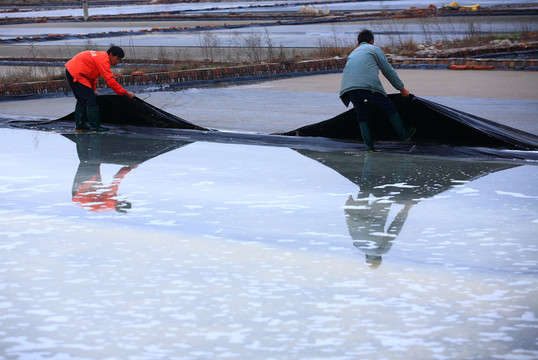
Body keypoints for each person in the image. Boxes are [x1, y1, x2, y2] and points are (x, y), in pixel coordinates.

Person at [340, 29, 415, 152]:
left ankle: (369, 147)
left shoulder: (352, 54)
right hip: (367, 86)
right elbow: (388, 71)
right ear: (372, 41)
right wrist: (401, 89)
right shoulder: (374, 49)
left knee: (362, 116)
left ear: (358, 44)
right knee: (389, 107)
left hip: (348, 89)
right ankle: (404, 135)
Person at [65, 46, 135, 132]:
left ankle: (81, 126)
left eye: (120, 60)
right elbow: (110, 81)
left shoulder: (101, 57)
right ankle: (95, 127)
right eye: (117, 58)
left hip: (74, 71)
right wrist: (125, 93)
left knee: (83, 99)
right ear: (111, 54)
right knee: (90, 98)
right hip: (75, 73)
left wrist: (93, 89)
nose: (118, 61)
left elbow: (92, 75)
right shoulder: (103, 60)